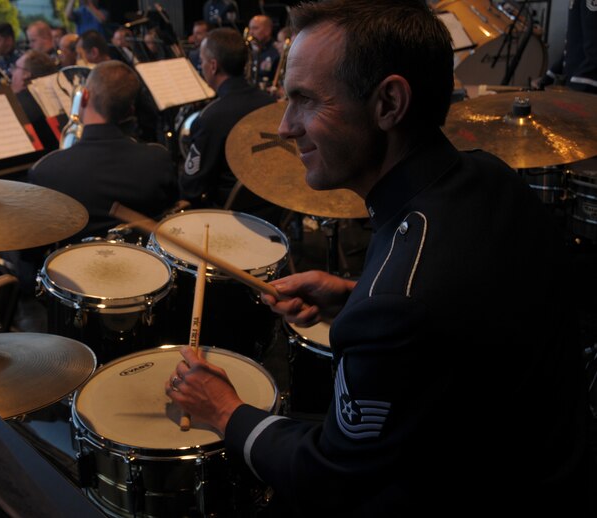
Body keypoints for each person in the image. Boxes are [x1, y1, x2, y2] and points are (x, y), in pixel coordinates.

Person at [166, 1, 589, 516]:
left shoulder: (397, 303)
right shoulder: (489, 178)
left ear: (388, 103)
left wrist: (226, 411)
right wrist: (352, 294)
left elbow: (333, 477)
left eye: (304, 100)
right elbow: (471, 320)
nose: (284, 127)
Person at [29, 60, 177, 241]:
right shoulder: (158, 159)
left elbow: (32, 251)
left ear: (83, 97)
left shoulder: (47, 171)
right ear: (131, 109)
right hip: (147, 262)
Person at [179, 28, 274, 209]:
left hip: (231, 215)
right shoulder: (269, 103)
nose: (201, 66)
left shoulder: (211, 117)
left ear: (213, 66)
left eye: (202, 61)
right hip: (271, 207)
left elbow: (192, 188)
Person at [539, 0, 597, 94]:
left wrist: (577, 87)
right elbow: (574, 43)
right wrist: (550, 75)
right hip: (574, 83)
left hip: (586, 90)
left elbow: (594, 50)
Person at [11, 50, 60, 151]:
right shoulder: (57, 96)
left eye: (16, 68)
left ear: (26, 75)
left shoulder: (20, 105)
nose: (12, 72)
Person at [247, 15, 279, 88]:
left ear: (268, 30)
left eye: (255, 28)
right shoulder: (248, 50)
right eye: (250, 28)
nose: (251, 33)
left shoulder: (276, 51)